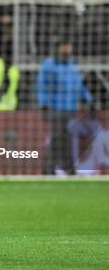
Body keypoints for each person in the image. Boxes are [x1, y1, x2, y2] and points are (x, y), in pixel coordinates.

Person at [37, 40, 94, 175]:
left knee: (65, 139)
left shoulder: (72, 66)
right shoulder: (49, 65)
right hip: (55, 108)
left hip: (71, 108)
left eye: (69, 46)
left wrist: (90, 100)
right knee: (58, 138)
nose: (68, 49)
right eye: (65, 46)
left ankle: (57, 168)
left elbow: (79, 86)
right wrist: (44, 105)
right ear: (58, 48)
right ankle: (57, 169)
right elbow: (42, 86)